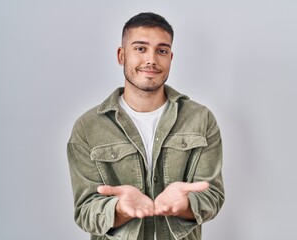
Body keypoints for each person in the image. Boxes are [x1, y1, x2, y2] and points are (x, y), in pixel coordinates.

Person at [67, 12, 224, 240]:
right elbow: (85, 212)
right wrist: (120, 209)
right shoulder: (87, 127)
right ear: (122, 55)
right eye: (140, 48)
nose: (151, 59)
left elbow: (213, 196)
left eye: (161, 50)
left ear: (171, 57)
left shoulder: (201, 119)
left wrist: (185, 204)